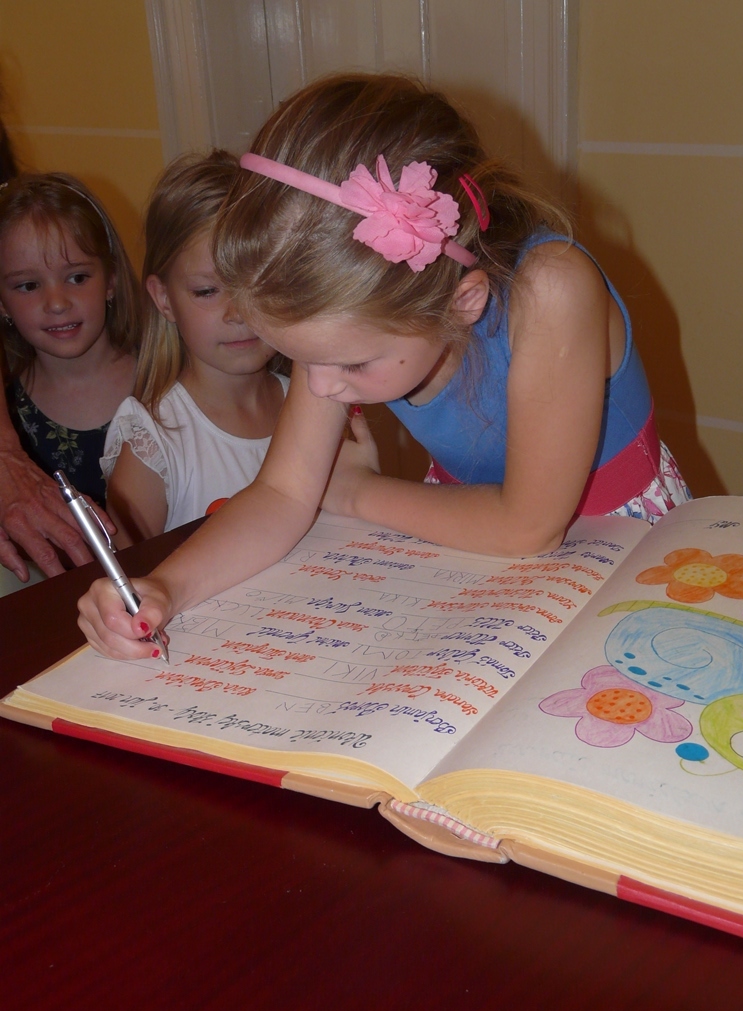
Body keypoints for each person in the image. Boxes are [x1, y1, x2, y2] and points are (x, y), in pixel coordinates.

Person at [78, 73, 690, 660]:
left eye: (351, 363)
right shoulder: (341, 331)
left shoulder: (552, 289)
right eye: (300, 359)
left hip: (613, 546)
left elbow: (528, 527)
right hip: (474, 545)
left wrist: (355, 492)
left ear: (463, 302)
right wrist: (167, 589)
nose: (319, 386)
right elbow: (283, 492)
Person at [101, 150, 288, 547]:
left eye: (258, 284)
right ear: (164, 299)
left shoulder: (311, 403)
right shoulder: (153, 441)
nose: (238, 313)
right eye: (207, 291)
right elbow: (130, 574)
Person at [0, 172, 141, 587]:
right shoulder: (10, 418)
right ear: (2, 303)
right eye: (28, 285)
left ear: (111, 280)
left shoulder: (166, 381)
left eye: (77, 277)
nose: (57, 303)